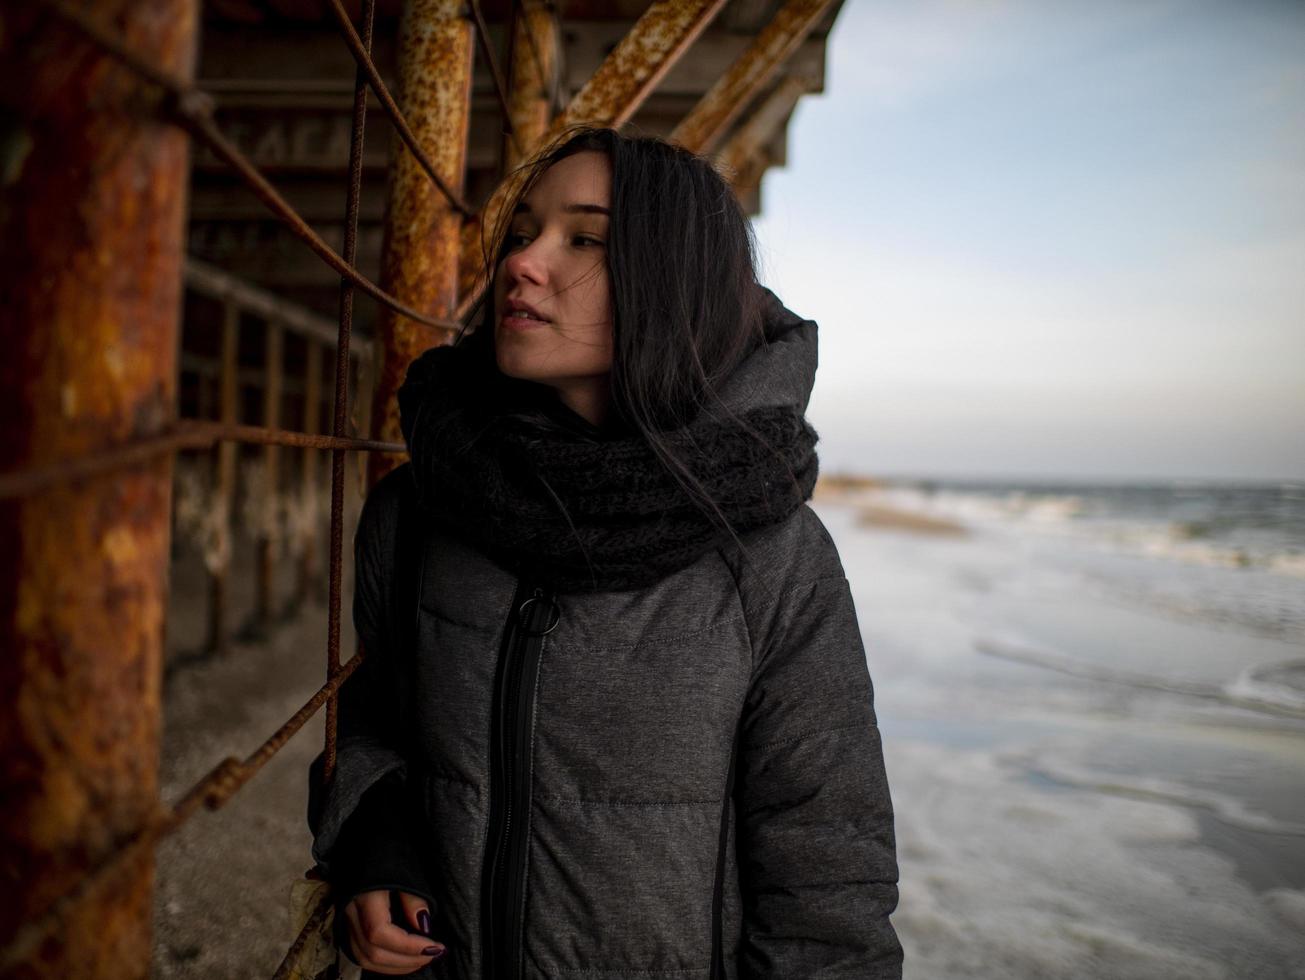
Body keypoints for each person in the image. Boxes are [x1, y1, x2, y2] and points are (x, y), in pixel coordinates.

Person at [308, 127, 902, 978]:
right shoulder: (419, 511)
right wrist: (375, 840)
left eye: (583, 239)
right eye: (521, 233)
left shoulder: (769, 557)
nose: (523, 263)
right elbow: (371, 720)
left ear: (670, 281)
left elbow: (827, 873)